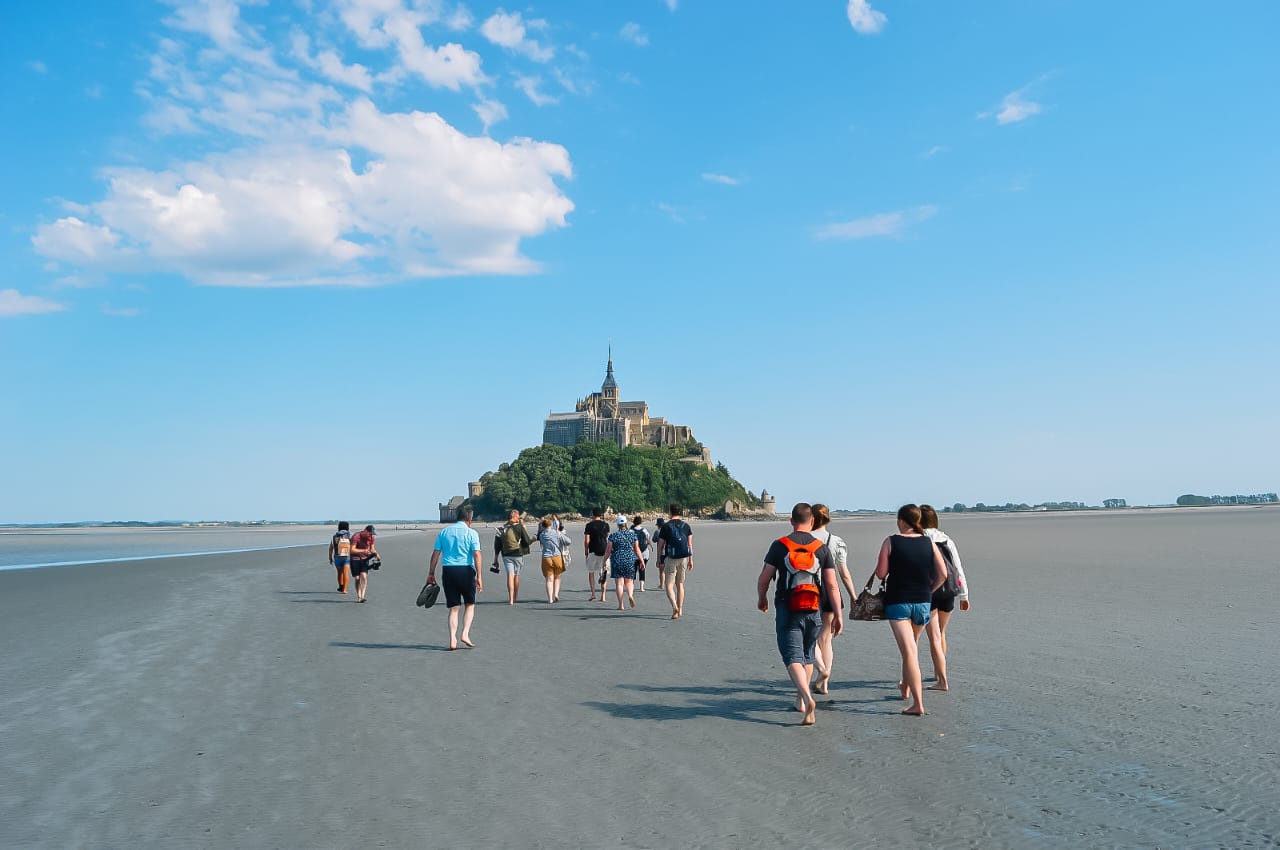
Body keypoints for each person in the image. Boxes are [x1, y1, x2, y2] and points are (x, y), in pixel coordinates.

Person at [756, 502, 843, 726]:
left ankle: (806, 698)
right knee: (807, 654)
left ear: (791, 521)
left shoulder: (780, 546)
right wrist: (839, 615)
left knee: (791, 655)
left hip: (788, 606)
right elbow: (832, 585)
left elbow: (765, 577)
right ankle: (801, 702)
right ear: (812, 521)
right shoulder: (821, 548)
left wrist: (762, 597)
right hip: (814, 608)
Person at [867, 504, 947, 716]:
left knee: (910, 651)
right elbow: (943, 574)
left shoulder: (891, 541)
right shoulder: (929, 542)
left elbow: (881, 574)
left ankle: (917, 703)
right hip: (923, 603)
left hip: (898, 602)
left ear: (902, 521)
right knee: (911, 647)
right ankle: (905, 687)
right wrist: (929, 591)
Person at [920, 504, 971, 692]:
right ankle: (938, 670)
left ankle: (941, 678)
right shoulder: (947, 539)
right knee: (941, 633)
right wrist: (964, 594)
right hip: (949, 590)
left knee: (933, 636)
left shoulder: (921, 539)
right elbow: (957, 568)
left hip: (930, 590)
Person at [809, 504, 857, 695]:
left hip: (808, 590)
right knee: (826, 639)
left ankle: (821, 670)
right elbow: (844, 574)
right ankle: (825, 683)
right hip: (830, 592)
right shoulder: (836, 541)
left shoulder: (804, 539)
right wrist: (853, 596)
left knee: (808, 637)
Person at [428, 506, 484, 650]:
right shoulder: (472, 533)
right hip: (466, 570)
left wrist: (431, 573)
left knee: (454, 608)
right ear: (470, 519)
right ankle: (465, 634)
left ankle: (452, 639)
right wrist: (479, 576)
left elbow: (435, 554)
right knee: (470, 604)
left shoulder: (444, 532)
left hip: (448, 571)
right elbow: (477, 554)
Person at [656, 504, 694, 619]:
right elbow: (689, 544)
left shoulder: (666, 527)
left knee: (669, 585)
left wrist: (659, 559)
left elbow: (660, 545)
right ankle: (680, 609)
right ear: (680, 512)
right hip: (683, 558)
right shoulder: (686, 526)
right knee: (680, 584)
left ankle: (674, 607)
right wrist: (691, 559)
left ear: (670, 512)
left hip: (671, 558)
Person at [493, 509, 534, 605]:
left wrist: (495, 558)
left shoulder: (502, 528)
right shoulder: (520, 527)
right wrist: (534, 538)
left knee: (509, 576)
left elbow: (497, 545)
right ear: (515, 517)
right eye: (518, 516)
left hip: (506, 555)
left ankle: (510, 599)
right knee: (516, 575)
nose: (519, 518)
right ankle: (515, 597)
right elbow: (527, 541)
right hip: (517, 554)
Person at [604, 516, 644, 610]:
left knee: (619, 583)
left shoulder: (613, 535)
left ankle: (621, 605)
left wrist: (604, 560)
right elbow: (637, 549)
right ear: (626, 524)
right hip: (630, 559)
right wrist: (641, 560)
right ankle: (630, 595)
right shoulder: (633, 535)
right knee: (629, 581)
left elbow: (608, 550)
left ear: (618, 524)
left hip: (617, 560)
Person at [537, 517, 572, 604]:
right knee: (557, 577)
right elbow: (568, 541)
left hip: (546, 557)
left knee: (549, 579)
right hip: (557, 556)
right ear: (550, 525)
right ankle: (556, 594)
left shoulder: (541, 535)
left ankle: (550, 599)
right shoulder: (556, 533)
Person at [583, 508, 611, 602]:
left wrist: (586, 552)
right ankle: (603, 596)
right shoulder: (606, 525)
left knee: (591, 572)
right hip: (604, 550)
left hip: (593, 551)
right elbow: (607, 537)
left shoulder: (589, 525)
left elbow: (587, 541)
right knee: (603, 571)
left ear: (593, 514)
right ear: (601, 515)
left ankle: (593, 594)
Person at [349, 524, 378, 603]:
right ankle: (359, 596)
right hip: (355, 559)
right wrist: (363, 551)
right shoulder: (356, 536)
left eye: (372, 534)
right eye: (370, 533)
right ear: (365, 531)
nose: (371, 535)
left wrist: (376, 554)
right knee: (357, 578)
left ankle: (362, 596)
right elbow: (352, 550)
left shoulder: (371, 538)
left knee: (364, 576)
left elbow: (372, 548)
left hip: (365, 559)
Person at [328, 520, 352, 594]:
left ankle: (340, 586)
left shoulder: (334, 536)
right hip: (346, 556)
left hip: (337, 556)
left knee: (339, 572)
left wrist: (330, 558)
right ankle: (345, 590)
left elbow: (331, 548)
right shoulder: (349, 536)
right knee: (346, 573)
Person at [631, 516, 651, 591]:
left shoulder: (631, 531)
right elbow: (648, 541)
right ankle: (641, 587)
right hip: (644, 553)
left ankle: (632, 586)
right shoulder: (645, 530)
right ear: (641, 522)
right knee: (642, 569)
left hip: (634, 553)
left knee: (633, 570)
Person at [653, 517, 667, 593]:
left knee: (661, 571)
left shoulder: (657, 531)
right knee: (669, 570)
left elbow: (654, 540)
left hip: (661, 553)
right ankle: (668, 584)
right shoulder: (668, 531)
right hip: (668, 552)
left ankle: (662, 584)